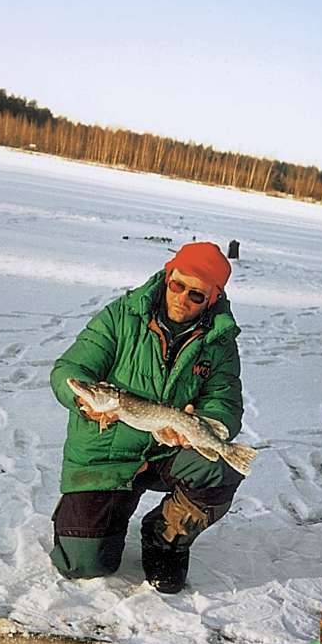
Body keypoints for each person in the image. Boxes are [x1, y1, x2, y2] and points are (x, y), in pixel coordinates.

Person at [49, 241, 245, 593]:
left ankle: (164, 537)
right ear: (168, 276)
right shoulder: (121, 316)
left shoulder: (219, 341)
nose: (183, 298)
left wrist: (199, 422)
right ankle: (102, 513)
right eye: (177, 285)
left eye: (197, 295)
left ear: (213, 298)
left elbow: (225, 401)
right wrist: (84, 404)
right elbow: (69, 370)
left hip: (166, 450)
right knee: (83, 565)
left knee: (219, 468)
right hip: (105, 455)